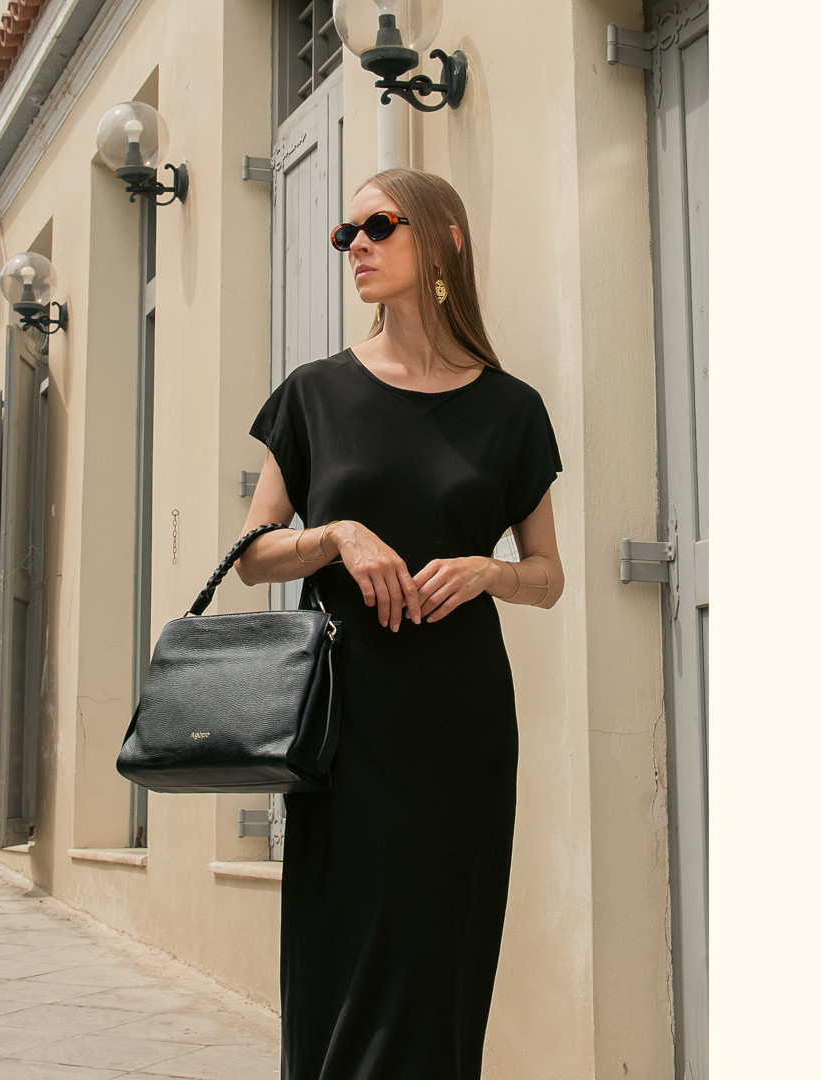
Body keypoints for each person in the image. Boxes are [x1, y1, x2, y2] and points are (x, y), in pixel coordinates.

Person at [236, 168, 564, 1080]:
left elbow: (548, 576)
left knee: (439, 968)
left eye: (377, 226)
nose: (357, 247)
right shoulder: (314, 395)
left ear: (445, 238)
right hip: (346, 726)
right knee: (339, 965)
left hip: (461, 729)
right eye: (345, 234)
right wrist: (335, 536)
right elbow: (253, 555)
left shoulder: (511, 409)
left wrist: (488, 571)